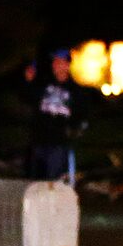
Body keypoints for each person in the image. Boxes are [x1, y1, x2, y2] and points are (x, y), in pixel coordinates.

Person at [24, 48, 82, 184]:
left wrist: (73, 130)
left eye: (60, 62)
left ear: (67, 65)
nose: (56, 65)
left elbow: (80, 114)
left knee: (54, 181)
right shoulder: (44, 85)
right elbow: (28, 99)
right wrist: (28, 82)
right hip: (39, 140)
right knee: (36, 181)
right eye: (54, 62)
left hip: (58, 143)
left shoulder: (75, 89)